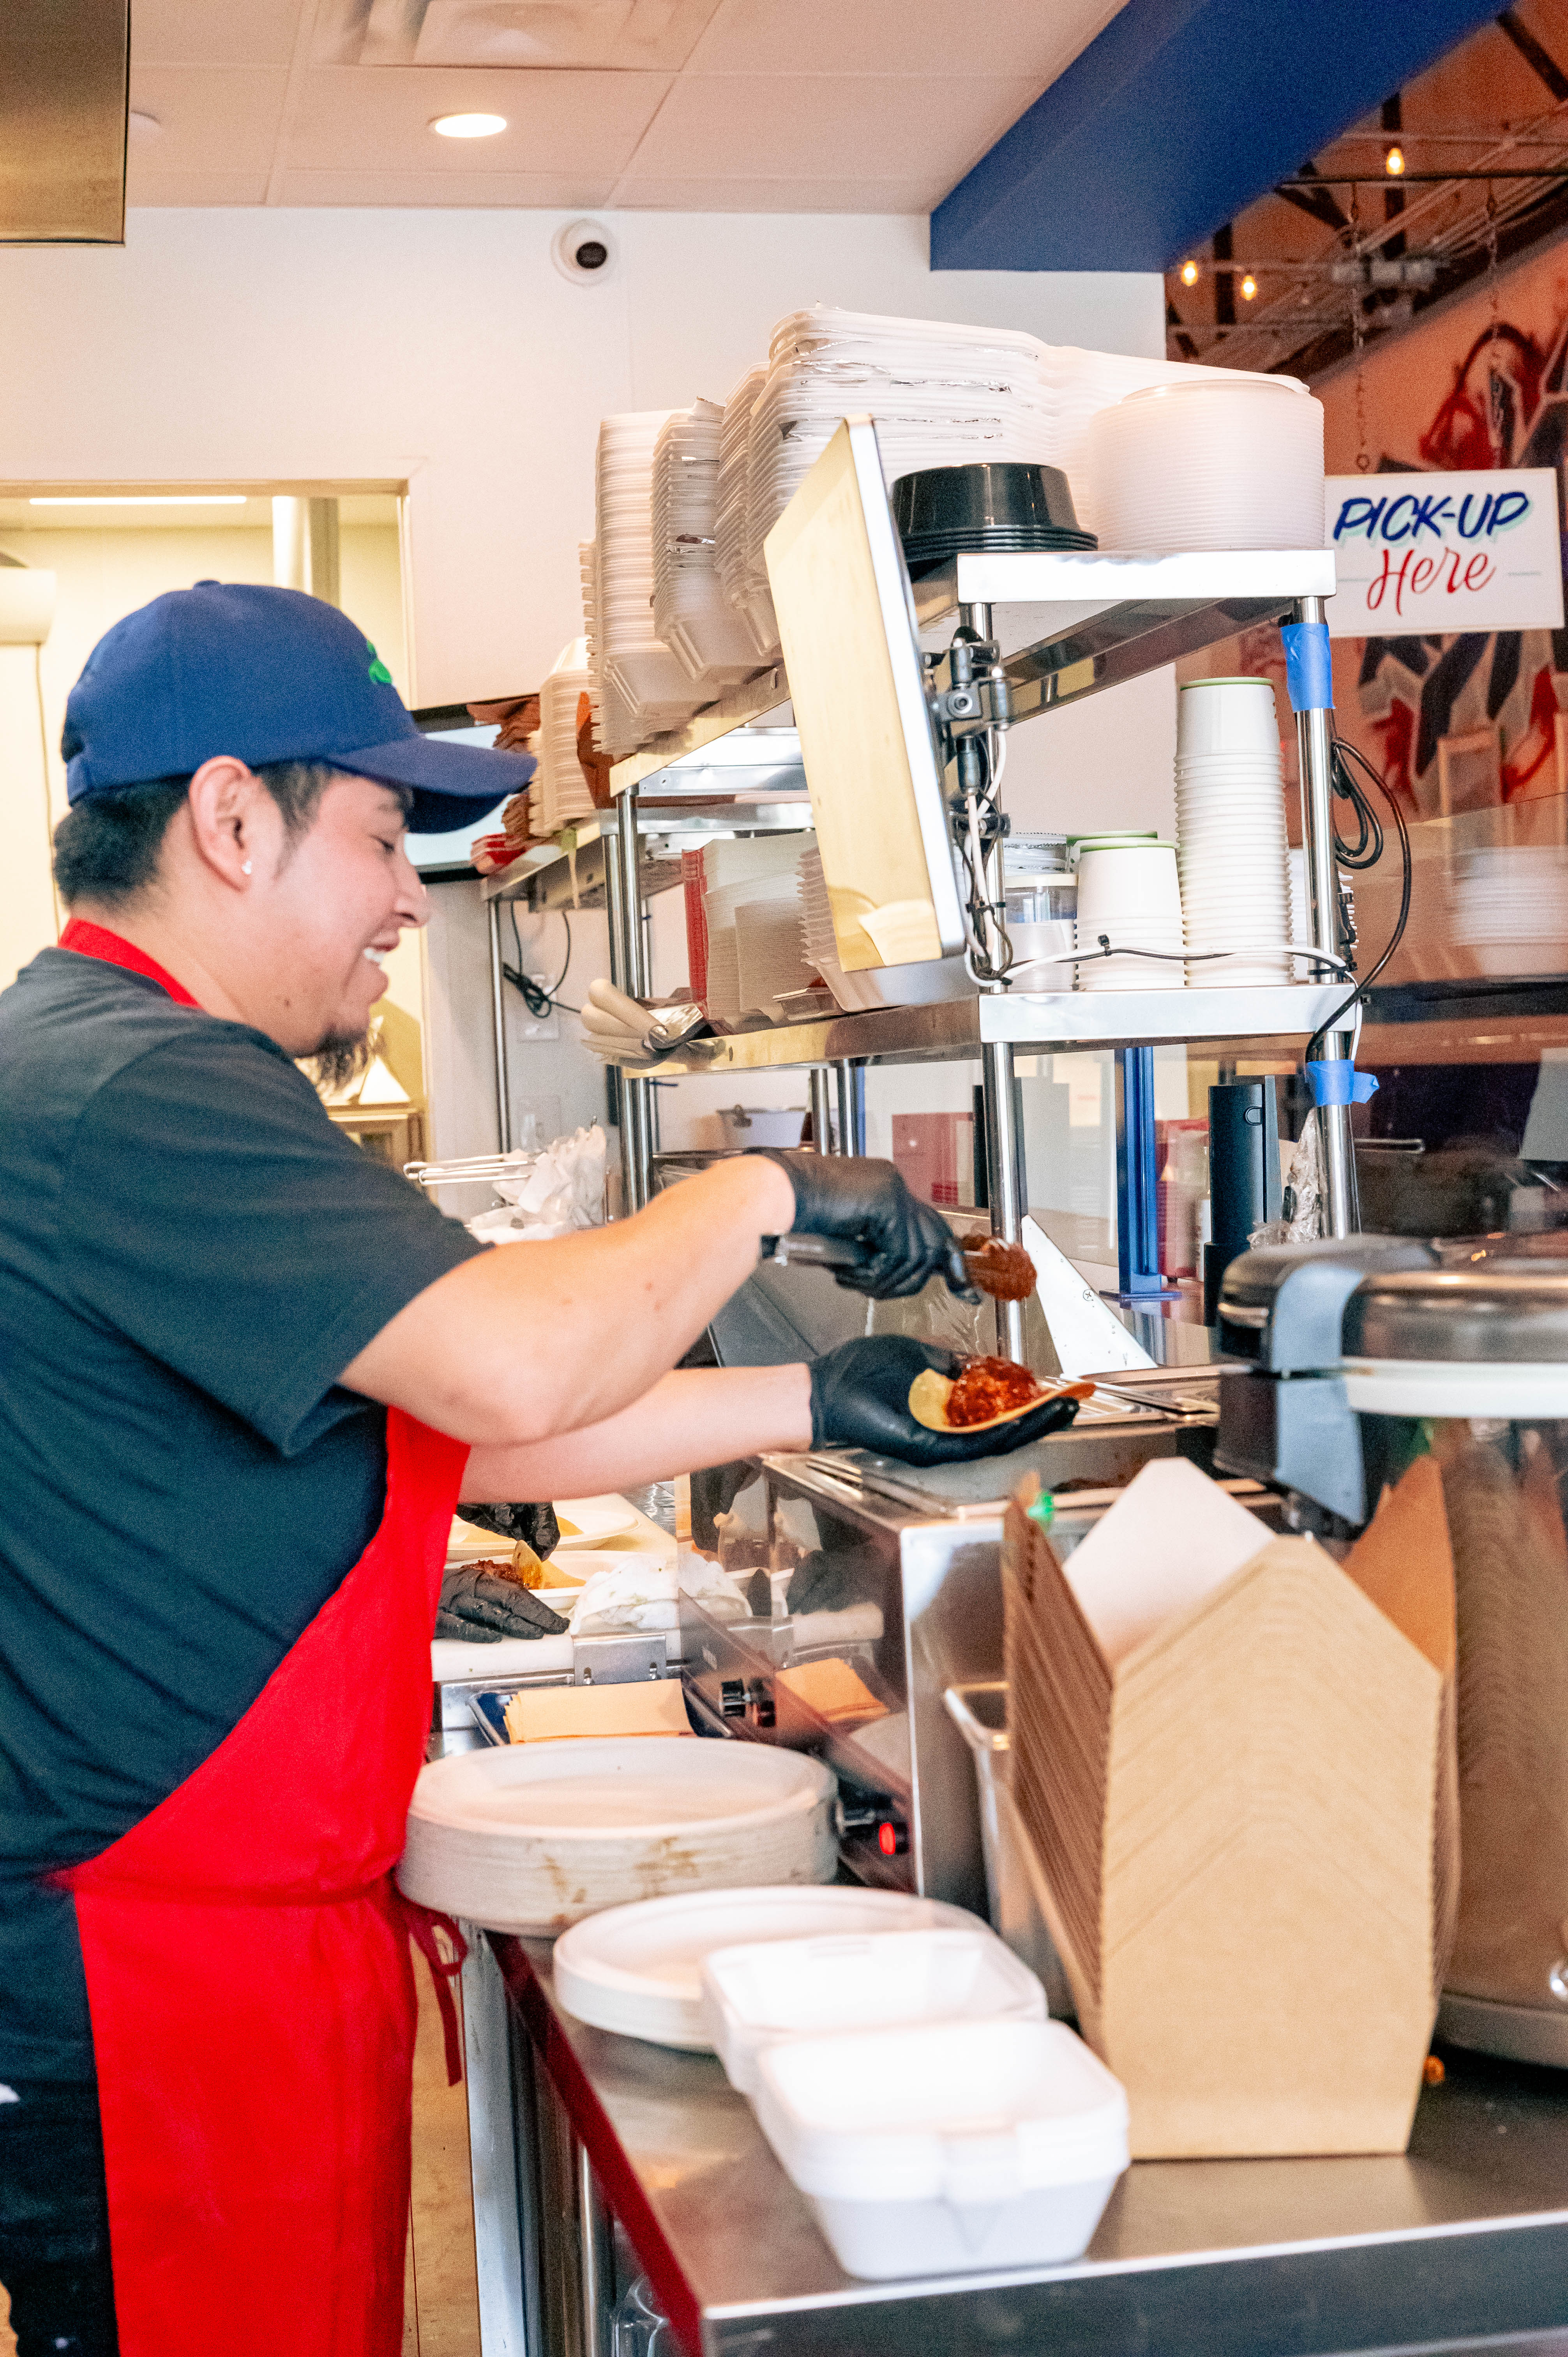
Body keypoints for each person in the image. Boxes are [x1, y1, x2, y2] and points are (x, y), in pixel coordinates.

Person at [0, 583, 1072, 2357]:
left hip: (215, 1957)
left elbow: (461, 1419)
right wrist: (758, 1193)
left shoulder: (138, 1067)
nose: (402, 906)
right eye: (377, 837)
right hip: (149, 1983)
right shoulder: (136, 1086)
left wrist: (814, 1402)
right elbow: (510, 1352)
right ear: (229, 817)